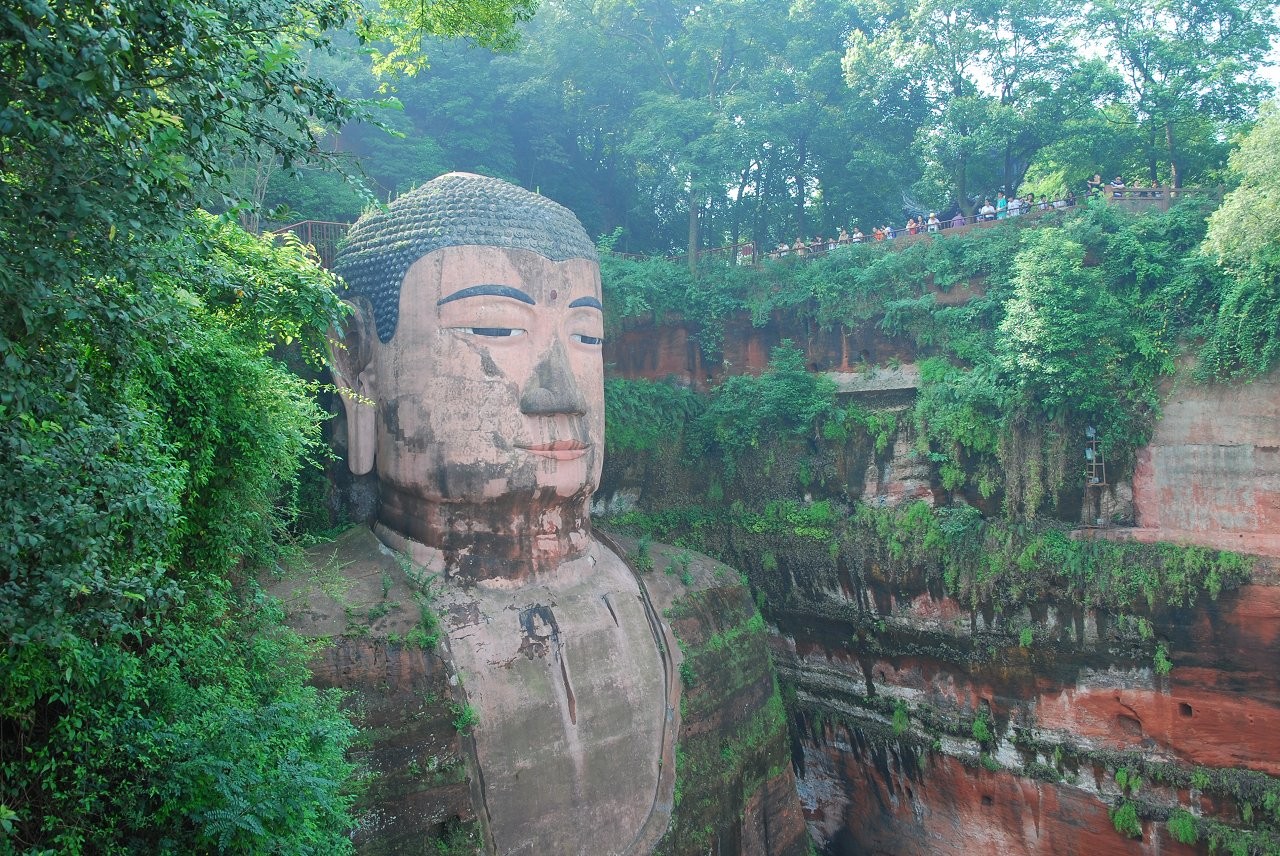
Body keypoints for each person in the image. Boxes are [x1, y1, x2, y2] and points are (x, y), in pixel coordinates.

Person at [330, 172, 671, 854]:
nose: (560, 390)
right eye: (496, 327)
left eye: (587, 338)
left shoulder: (691, 600)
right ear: (358, 360)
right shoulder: (319, 656)